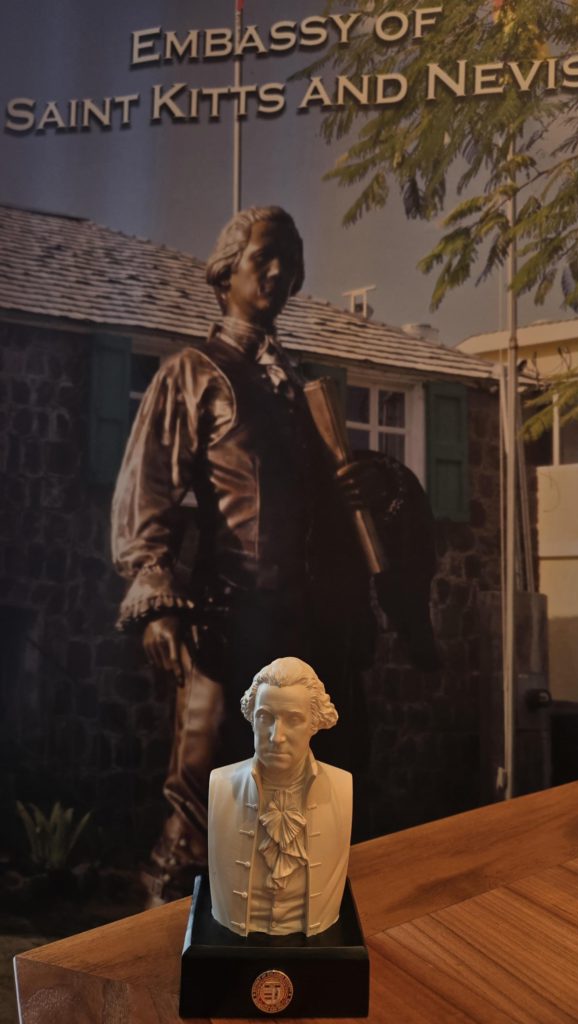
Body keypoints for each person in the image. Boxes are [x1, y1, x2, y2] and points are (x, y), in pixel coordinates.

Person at [111, 206, 378, 904]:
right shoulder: (193, 373)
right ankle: (165, 957)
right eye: (265, 258)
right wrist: (156, 600)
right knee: (201, 812)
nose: (279, 273)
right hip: (227, 627)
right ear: (228, 269)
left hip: (304, 635)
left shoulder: (301, 391)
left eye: (290, 261)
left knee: (297, 819)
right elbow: (149, 489)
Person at [208, 657, 351, 937]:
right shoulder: (221, 785)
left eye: (294, 719)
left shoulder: (342, 786)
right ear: (252, 719)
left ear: (314, 723)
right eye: (265, 717)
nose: (277, 736)